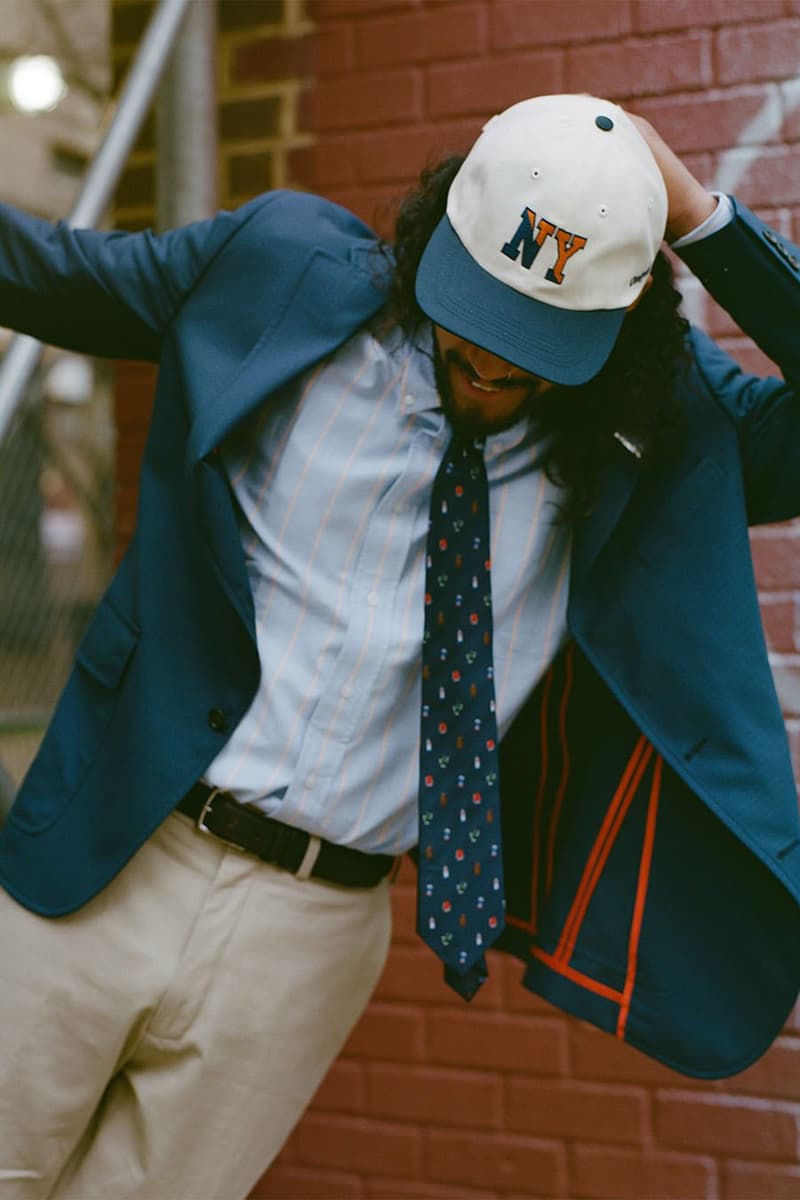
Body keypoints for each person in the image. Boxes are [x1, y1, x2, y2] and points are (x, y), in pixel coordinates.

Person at [0, 91, 799, 1198]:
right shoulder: (280, 268)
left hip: (312, 934)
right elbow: (36, 270)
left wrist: (699, 216)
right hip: (112, 849)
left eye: (536, 346)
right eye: (473, 317)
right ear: (439, 239)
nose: (488, 366)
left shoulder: (650, 420)